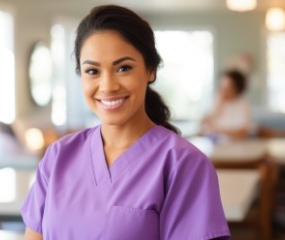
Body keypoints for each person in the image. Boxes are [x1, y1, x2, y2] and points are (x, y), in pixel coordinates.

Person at [21, 5, 230, 240]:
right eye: (92, 71)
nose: (108, 85)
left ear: (150, 70)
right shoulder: (58, 156)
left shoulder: (184, 164)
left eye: (124, 68)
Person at [200, 69, 252, 140]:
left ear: (237, 89)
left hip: (234, 145)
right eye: (222, 87)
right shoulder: (218, 99)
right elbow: (204, 123)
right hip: (213, 142)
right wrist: (217, 107)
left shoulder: (243, 103)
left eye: (228, 88)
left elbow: (242, 133)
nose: (223, 91)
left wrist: (217, 130)